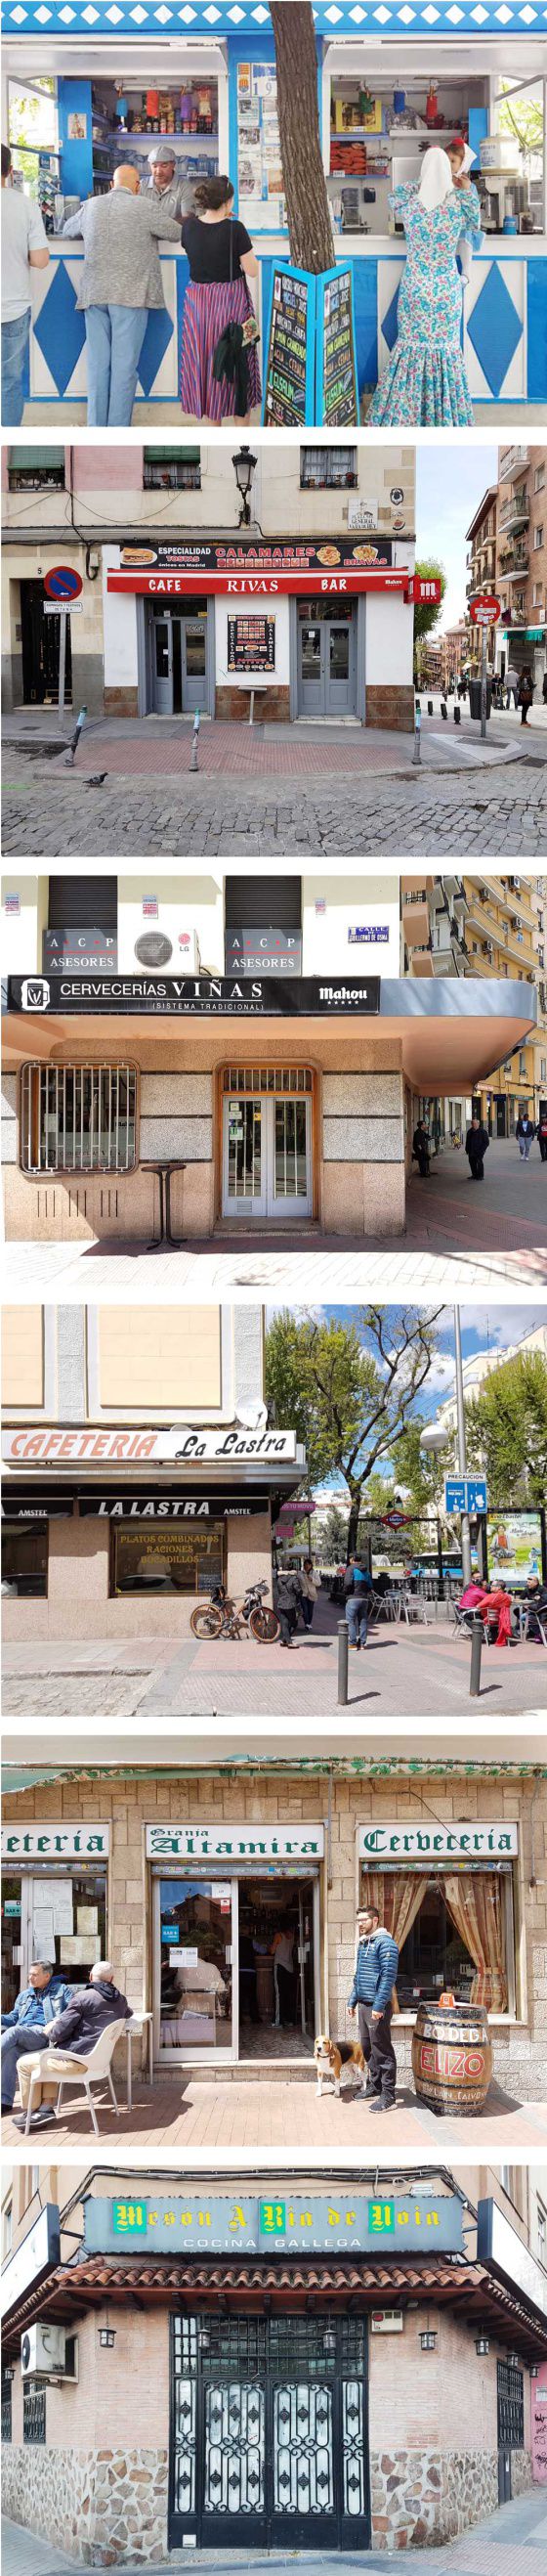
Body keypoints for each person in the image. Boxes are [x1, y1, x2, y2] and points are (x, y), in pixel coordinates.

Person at [368, 146, 481, 426]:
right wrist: (459, 186)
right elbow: (475, 222)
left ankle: (404, 415)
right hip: (446, 288)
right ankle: (445, 418)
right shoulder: (457, 205)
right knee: (446, 350)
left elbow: (393, 197)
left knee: (410, 348)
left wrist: (424, 183)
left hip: (415, 285)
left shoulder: (412, 205)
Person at [62, 164, 181, 426]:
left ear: (112, 185)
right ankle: (117, 431)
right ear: (138, 186)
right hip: (131, 294)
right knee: (124, 369)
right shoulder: (144, 206)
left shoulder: (91, 206)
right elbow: (176, 233)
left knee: (97, 367)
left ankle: (96, 428)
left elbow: (67, 229)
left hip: (94, 294)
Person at [12, 1960, 132, 2132]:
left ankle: (31, 2111)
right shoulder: (120, 1999)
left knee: (24, 2063)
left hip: (76, 2061)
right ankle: (45, 2108)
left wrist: (51, 2030)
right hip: (99, 2063)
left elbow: (58, 2033)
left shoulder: (82, 1998)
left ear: (90, 1976)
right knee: (48, 2057)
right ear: (111, 1979)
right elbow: (128, 2013)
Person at [180, 175, 260, 424]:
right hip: (231, 307)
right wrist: (228, 221)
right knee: (238, 367)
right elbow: (252, 270)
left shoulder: (189, 227)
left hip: (198, 309)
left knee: (206, 365)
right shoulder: (235, 229)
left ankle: (213, 422)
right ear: (227, 202)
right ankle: (240, 434)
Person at [1, 144, 50, 426]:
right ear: (9, 170)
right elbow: (41, 260)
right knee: (8, 382)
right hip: (13, 307)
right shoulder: (25, 205)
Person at [1, 1961, 73, 2116]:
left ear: (47, 1976)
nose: (30, 1978)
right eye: (30, 1974)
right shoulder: (24, 1995)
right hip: (23, 2034)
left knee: (14, 2032)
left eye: (35, 1974)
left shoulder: (62, 1990)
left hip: (43, 2034)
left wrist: (56, 2022)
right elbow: (13, 2018)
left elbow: (72, 2013)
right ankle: (5, 2101)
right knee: (10, 2052)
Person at [348, 1903, 399, 2112]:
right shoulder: (364, 1942)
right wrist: (352, 2000)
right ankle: (375, 2086)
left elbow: (388, 1977)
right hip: (364, 2004)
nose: (360, 1924)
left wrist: (379, 2006)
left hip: (377, 2007)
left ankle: (389, 2096)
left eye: (364, 1920)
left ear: (375, 1920)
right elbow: (359, 1977)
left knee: (382, 2051)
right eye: (358, 1920)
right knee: (368, 2049)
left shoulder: (385, 1943)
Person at [143, 139, 193, 225]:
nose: (158, 171)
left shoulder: (185, 186)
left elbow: (188, 219)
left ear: (173, 165)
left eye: (164, 166)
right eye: (154, 166)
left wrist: (159, 226)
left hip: (174, 237)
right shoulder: (141, 185)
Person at [345, 1555, 373, 1651]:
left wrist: (346, 1592)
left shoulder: (350, 1568)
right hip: (364, 1599)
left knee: (350, 1621)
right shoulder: (366, 1570)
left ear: (352, 1560)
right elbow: (370, 1585)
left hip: (353, 1598)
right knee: (363, 1620)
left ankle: (352, 1644)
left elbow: (347, 1583)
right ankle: (362, 1644)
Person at [271, 1923, 295, 2028]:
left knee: (279, 1995)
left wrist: (270, 1946)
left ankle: (278, 2021)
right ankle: (289, 2019)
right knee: (288, 1995)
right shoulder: (293, 1936)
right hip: (290, 1968)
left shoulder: (278, 1935)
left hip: (280, 1967)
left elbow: (272, 1951)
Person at [274, 1565, 300, 1649]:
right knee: (294, 1623)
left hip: (281, 1603)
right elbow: (298, 1590)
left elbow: (279, 1591)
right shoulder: (294, 1578)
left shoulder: (279, 1579)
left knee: (285, 1623)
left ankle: (285, 1640)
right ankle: (289, 1642)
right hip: (291, 1603)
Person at [465, 1112, 489, 1181]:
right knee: (472, 1163)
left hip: (479, 1151)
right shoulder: (469, 1131)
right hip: (471, 1151)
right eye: (472, 1124)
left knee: (479, 1163)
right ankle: (474, 1175)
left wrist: (482, 1150)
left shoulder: (483, 1132)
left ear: (478, 1124)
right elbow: (467, 1142)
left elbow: (486, 1142)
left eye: (475, 1123)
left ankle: (480, 1176)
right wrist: (467, 1150)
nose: (474, 1125)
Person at [523, 1574, 547, 1639]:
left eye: (529, 1582)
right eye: (527, 1582)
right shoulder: (527, 1589)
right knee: (517, 1610)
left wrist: (529, 1607)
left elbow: (541, 1605)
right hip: (535, 1610)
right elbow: (521, 1598)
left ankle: (540, 1634)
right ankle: (534, 1632)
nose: (527, 1584)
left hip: (540, 1613)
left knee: (523, 1617)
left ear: (536, 1583)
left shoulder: (543, 1590)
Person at [300, 1558, 317, 1631]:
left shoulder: (314, 1573)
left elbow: (319, 1583)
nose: (306, 1566)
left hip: (312, 1594)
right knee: (305, 1610)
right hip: (303, 1594)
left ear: (311, 1565)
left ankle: (309, 1623)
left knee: (310, 1610)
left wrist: (312, 1579)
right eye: (305, 1564)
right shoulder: (300, 1573)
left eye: (308, 1564)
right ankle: (306, 1623)